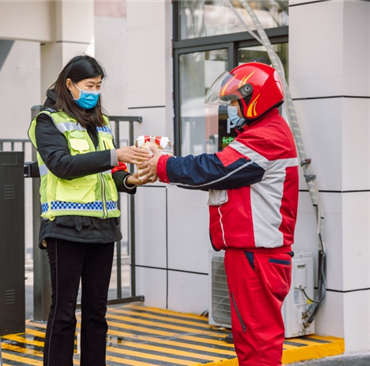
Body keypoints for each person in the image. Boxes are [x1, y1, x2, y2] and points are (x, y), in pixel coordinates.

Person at [139, 62, 299, 366]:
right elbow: (219, 175)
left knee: (259, 342)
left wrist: (163, 165)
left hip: (258, 256)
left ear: (254, 98)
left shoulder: (267, 136)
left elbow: (215, 169)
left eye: (236, 102)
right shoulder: (260, 133)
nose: (232, 110)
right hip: (252, 255)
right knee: (248, 338)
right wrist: (168, 168)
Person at [27, 55, 150, 366]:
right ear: (69, 85)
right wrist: (113, 156)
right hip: (65, 228)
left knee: (97, 311)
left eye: (98, 86)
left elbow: (110, 173)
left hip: (103, 229)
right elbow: (62, 165)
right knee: (64, 311)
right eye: (89, 85)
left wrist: (131, 178)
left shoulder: (101, 123)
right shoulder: (47, 121)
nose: (95, 91)